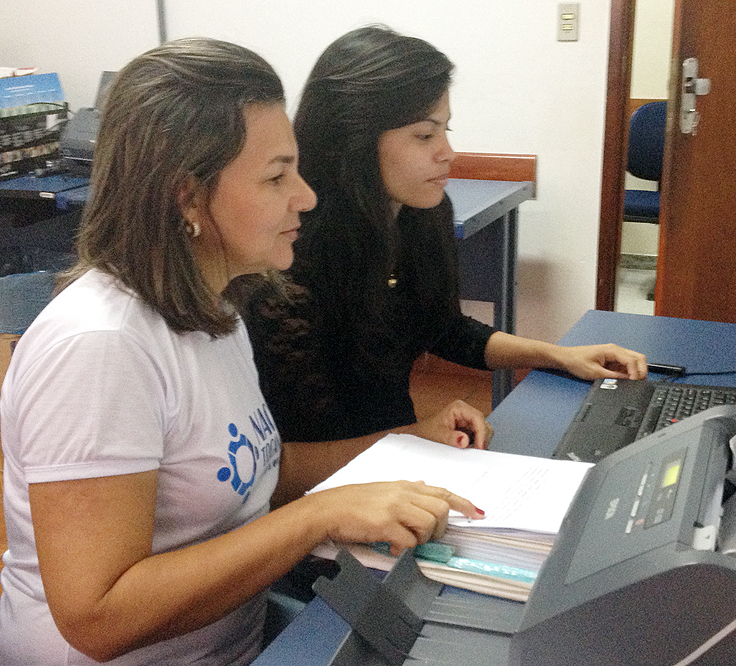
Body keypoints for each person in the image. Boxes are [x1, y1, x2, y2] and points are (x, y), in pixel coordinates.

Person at [0, 38, 486, 666]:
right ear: (188, 197)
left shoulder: (218, 305)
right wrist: (318, 517)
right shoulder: (101, 349)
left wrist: (403, 442)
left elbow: (255, 469)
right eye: (276, 177)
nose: (306, 196)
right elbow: (98, 617)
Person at [243, 24, 649, 446]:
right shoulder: (291, 256)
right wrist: (416, 436)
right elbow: (294, 454)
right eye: (424, 135)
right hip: (339, 475)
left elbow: (441, 327)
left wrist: (559, 355)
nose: (447, 153)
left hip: (397, 454)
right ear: (354, 140)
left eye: (444, 130)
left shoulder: (421, 214)